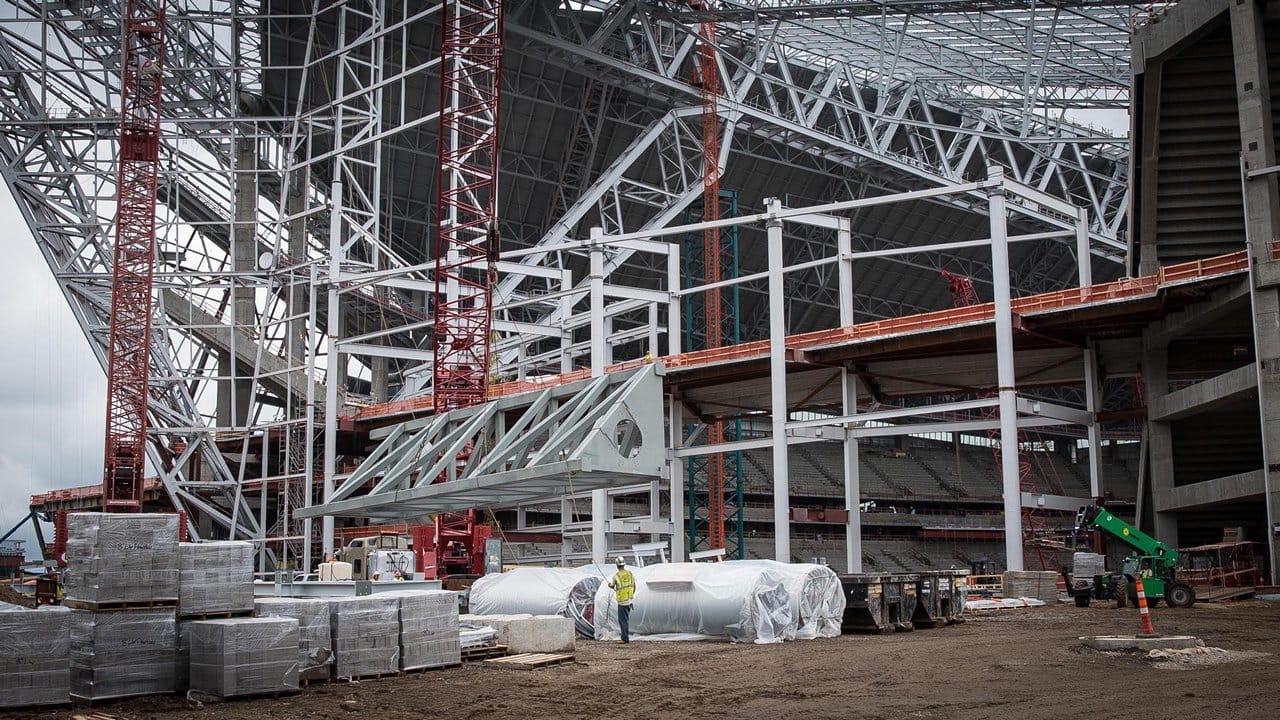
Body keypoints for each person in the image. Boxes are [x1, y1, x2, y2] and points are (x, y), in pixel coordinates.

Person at [607, 556, 636, 643]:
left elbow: (612, 585)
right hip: (629, 600)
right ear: (624, 565)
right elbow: (634, 586)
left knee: (622, 620)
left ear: (617, 566)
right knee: (626, 619)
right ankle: (625, 636)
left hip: (622, 601)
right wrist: (631, 596)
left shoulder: (616, 576)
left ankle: (625, 638)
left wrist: (610, 585)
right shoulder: (630, 573)